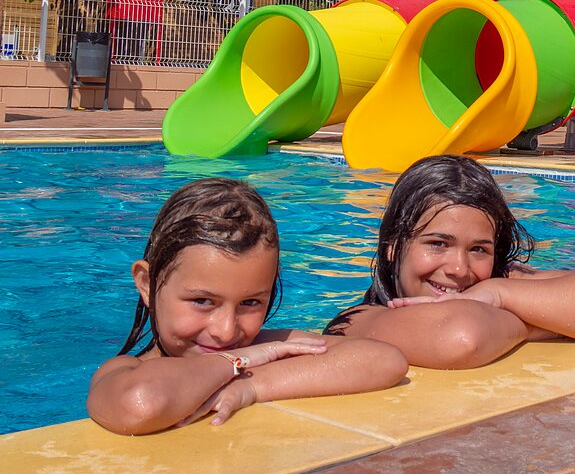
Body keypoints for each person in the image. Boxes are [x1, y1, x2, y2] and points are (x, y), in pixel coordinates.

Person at [87, 178, 408, 435]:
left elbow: (385, 360)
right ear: (146, 283)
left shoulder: (261, 352)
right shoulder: (124, 370)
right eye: (202, 301)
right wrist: (232, 361)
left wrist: (251, 385)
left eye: (251, 302)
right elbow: (140, 406)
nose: (226, 329)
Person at [325, 155, 575, 368]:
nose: (459, 269)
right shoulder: (358, 320)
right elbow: (462, 338)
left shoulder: (494, 285)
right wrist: (545, 321)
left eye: (478, 250)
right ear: (393, 247)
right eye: (437, 244)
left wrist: (497, 294)